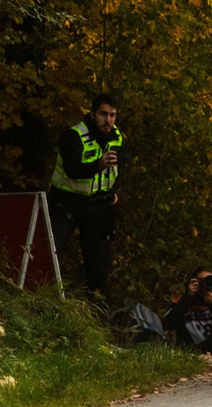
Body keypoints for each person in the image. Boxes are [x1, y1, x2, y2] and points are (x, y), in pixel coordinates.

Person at [48, 93, 124, 298]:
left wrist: (113, 191)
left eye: (112, 115)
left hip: (98, 206)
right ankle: (35, 295)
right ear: (92, 114)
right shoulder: (73, 136)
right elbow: (73, 170)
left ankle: (91, 310)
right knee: (48, 249)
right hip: (66, 203)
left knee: (98, 265)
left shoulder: (117, 136)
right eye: (103, 114)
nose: (108, 120)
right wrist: (97, 165)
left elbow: (119, 166)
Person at [162, 267, 212, 354]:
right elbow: (167, 324)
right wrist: (187, 297)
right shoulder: (180, 302)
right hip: (189, 351)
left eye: (209, 281)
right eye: (201, 281)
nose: (205, 285)